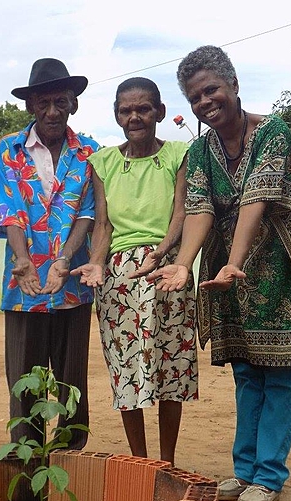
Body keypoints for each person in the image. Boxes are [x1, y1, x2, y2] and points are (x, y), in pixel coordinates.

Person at [148, 46, 291, 501]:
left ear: (234, 86)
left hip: (283, 268)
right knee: (247, 371)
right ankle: (244, 469)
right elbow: (199, 208)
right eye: (195, 97)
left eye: (212, 90)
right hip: (232, 274)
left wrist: (235, 261)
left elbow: (256, 200)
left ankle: (268, 474)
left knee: (281, 373)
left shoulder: (274, 132)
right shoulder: (201, 149)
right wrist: (185, 263)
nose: (205, 102)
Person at [71, 77, 198, 464]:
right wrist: (95, 262)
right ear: (116, 115)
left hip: (169, 271)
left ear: (159, 111)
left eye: (143, 108)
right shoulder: (104, 162)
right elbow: (103, 224)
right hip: (120, 278)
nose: (134, 116)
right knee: (127, 368)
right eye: (125, 110)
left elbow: (182, 209)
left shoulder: (179, 152)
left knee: (170, 367)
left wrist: (161, 254)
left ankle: (167, 462)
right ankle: (141, 461)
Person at [0, 58, 98, 450]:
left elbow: (88, 211)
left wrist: (64, 260)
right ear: (31, 105)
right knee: (24, 385)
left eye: (61, 102)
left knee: (71, 384)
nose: (53, 111)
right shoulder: (8, 150)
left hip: (73, 288)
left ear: (73, 105)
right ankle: (27, 476)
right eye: (44, 102)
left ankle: (70, 470)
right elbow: (7, 208)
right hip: (24, 288)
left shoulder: (89, 153)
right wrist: (21, 261)